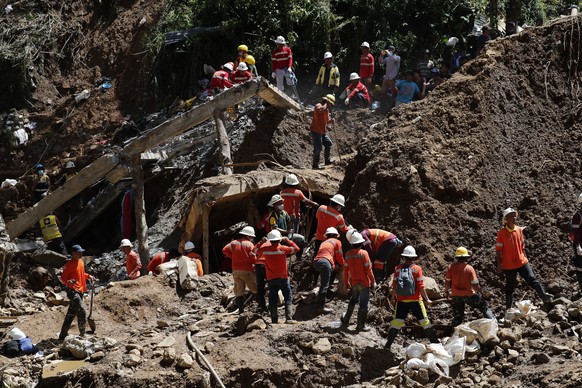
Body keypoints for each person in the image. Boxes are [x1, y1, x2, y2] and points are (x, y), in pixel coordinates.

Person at [496, 208, 552, 311]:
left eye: (514, 216)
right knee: (509, 287)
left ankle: (545, 298)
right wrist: (499, 265)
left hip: (522, 262)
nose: (514, 218)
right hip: (509, 265)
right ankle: (509, 309)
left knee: (533, 279)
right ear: (506, 219)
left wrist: (525, 257)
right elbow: (498, 250)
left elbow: (522, 246)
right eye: (511, 216)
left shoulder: (519, 230)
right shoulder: (501, 233)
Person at [384, 245, 439, 350]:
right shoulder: (417, 269)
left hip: (401, 301)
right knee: (425, 322)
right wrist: (427, 299)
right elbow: (421, 286)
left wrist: (392, 298)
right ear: (413, 257)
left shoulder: (398, 268)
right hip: (416, 300)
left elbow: (394, 285)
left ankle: (388, 345)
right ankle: (435, 343)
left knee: (396, 323)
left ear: (404, 257)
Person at [254, 230, 300, 323]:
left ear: (270, 240)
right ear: (279, 240)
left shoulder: (265, 250)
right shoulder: (283, 249)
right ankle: (289, 319)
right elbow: (296, 249)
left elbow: (254, 251)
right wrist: (288, 241)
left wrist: (260, 242)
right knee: (287, 297)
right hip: (283, 277)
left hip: (271, 278)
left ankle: (274, 320)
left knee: (273, 300)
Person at [445, 247, 494, 326]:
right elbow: (475, 284)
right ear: (466, 257)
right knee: (483, 306)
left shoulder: (451, 267)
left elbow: (447, 282)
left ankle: (454, 332)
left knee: (457, 317)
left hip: (455, 295)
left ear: (456, 257)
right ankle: (492, 322)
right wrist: (482, 293)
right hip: (468, 295)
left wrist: (446, 292)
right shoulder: (469, 268)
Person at [341, 231, 376, 331]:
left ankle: (346, 319)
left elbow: (346, 270)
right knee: (363, 304)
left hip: (354, 283)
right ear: (361, 243)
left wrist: (346, 282)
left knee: (353, 300)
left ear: (352, 244)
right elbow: (369, 270)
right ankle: (360, 326)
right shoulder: (364, 254)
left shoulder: (347, 254)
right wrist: (373, 281)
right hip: (364, 283)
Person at [59, 244, 93, 339]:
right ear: (73, 253)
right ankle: (82, 334)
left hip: (80, 290)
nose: (81, 254)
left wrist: (88, 276)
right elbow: (63, 278)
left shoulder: (81, 262)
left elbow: (80, 274)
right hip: (72, 290)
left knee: (71, 313)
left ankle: (63, 334)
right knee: (81, 311)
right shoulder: (69, 264)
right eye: (79, 253)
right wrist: (68, 282)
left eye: (81, 252)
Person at [222, 226, 259, 313]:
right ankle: (261, 307)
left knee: (239, 291)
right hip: (247, 270)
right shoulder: (249, 245)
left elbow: (224, 250)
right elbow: (253, 257)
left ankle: (241, 311)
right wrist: (256, 264)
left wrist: (233, 257)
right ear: (249, 236)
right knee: (254, 289)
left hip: (236, 271)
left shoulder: (234, 243)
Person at [313, 227, 344, 314]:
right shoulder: (337, 242)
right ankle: (320, 307)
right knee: (324, 285)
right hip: (325, 262)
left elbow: (329, 257)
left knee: (324, 283)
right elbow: (339, 256)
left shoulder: (324, 242)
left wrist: (334, 266)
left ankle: (319, 299)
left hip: (316, 262)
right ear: (335, 235)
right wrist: (343, 264)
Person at [309, 94, 335, 169]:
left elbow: (327, 121)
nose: (331, 106)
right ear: (328, 102)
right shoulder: (319, 105)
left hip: (322, 131)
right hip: (316, 131)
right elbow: (320, 110)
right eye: (331, 104)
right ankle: (315, 165)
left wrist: (331, 121)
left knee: (328, 143)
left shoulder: (326, 110)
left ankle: (327, 160)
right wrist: (326, 104)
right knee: (318, 148)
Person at [570, 193, 582, 291]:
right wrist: (578, 246)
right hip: (580, 246)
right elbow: (576, 232)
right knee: (580, 267)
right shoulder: (577, 216)